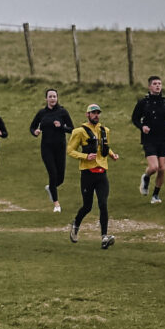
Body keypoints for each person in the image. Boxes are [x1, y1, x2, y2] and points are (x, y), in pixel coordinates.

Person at [66, 103, 119, 248]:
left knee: (103, 204)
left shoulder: (105, 130)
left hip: (102, 173)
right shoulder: (79, 132)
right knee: (87, 206)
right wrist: (84, 156)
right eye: (93, 113)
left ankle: (104, 237)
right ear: (87, 115)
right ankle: (76, 224)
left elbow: (104, 146)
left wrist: (112, 154)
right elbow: (70, 150)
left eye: (98, 113)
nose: (96, 115)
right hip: (87, 174)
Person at [131, 76, 165, 204]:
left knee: (162, 169)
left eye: (159, 84)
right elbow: (135, 118)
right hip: (149, 138)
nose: (158, 86)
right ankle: (146, 177)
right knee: (154, 167)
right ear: (149, 87)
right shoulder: (144, 102)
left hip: (164, 137)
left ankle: (155, 195)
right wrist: (142, 127)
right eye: (155, 84)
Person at [28, 88, 74, 213]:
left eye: (54, 96)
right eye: (50, 96)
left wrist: (62, 127)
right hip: (46, 147)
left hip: (60, 147)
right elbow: (32, 127)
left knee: (61, 178)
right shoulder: (42, 113)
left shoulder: (63, 112)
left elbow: (72, 129)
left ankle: (50, 188)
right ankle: (57, 205)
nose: (52, 98)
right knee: (52, 174)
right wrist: (35, 132)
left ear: (57, 98)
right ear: (46, 99)